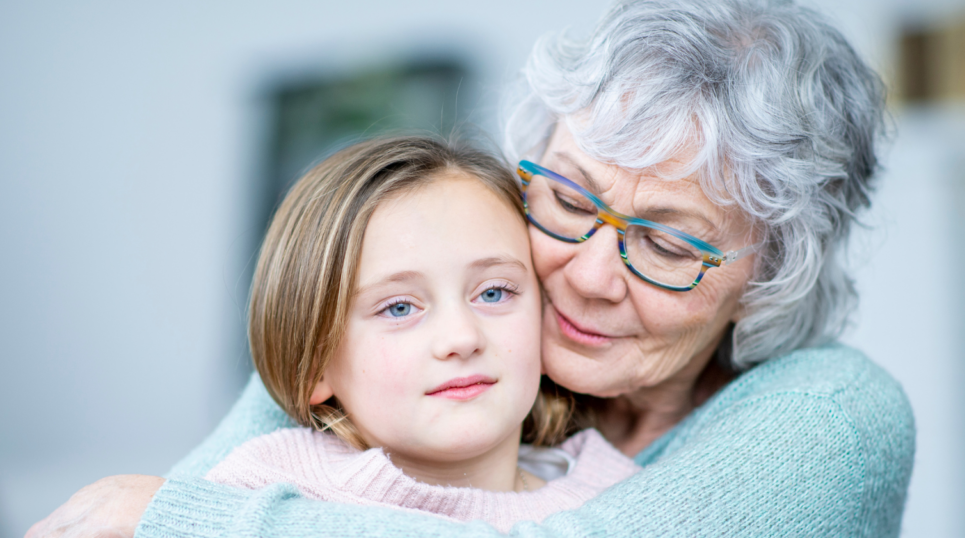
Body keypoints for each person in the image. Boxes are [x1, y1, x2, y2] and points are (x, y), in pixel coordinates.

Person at [27, 0, 915, 536]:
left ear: (774, 275)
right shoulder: (420, 322)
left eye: (667, 246)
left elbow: (177, 517)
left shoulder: (834, 416)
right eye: (568, 199)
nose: (590, 274)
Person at [201, 135, 638, 532]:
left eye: (493, 293)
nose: (462, 338)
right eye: (399, 307)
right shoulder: (264, 489)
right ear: (315, 364)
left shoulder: (617, 499)